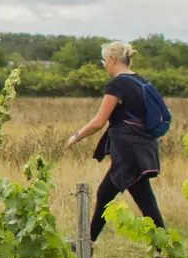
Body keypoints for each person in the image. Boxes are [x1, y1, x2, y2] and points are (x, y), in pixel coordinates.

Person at [66, 41, 166, 244]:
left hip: (129, 152)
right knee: (116, 196)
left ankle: (164, 249)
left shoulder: (118, 84)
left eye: (104, 60)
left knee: (137, 199)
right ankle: (87, 244)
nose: (104, 65)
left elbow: (98, 122)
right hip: (142, 147)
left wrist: (76, 136)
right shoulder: (140, 80)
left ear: (112, 60)